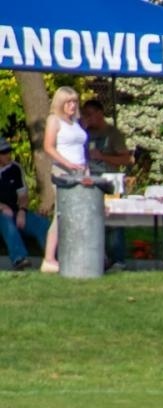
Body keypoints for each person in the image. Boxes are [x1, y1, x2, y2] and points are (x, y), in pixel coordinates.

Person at [39, 86, 92, 274]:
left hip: (80, 171)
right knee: (61, 213)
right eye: (68, 102)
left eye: (74, 102)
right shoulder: (54, 120)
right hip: (62, 172)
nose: (72, 105)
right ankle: (49, 258)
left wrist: (84, 168)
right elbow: (48, 147)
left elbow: (81, 147)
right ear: (60, 103)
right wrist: (68, 163)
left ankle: (80, 255)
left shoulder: (76, 122)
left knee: (80, 213)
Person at [81, 100, 134, 267]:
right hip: (91, 180)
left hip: (112, 181)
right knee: (91, 219)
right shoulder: (83, 133)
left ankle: (117, 258)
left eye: (90, 114)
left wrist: (102, 156)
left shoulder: (113, 134)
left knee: (114, 220)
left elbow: (126, 159)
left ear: (99, 113)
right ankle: (97, 256)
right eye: (85, 115)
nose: (88, 119)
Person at [0, 138, 49, 270]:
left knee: (40, 223)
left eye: (9, 151)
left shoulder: (15, 169)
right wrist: (1, 206)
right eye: (4, 153)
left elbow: (23, 195)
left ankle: (54, 257)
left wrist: (22, 211)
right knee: (6, 220)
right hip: (2, 215)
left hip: (15, 211)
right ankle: (19, 258)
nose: (8, 155)